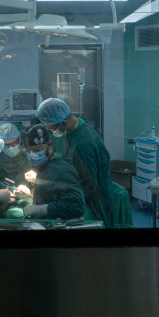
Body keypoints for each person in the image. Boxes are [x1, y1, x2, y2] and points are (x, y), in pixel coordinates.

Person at [36, 97, 114, 228]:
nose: (52, 133)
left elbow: (89, 183)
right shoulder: (73, 129)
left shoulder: (83, 144)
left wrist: (65, 197)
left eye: (52, 129)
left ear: (63, 123)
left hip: (94, 201)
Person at [21, 125, 85, 220]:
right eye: (28, 151)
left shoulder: (62, 170)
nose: (32, 155)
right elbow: (54, 189)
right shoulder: (45, 163)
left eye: (37, 150)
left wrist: (43, 209)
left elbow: (76, 206)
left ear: (49, 145)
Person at [0, 122, 32, 187]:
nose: (10, 148)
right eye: (6, 145)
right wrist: (12, 188)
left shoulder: (29, 156)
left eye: (14, 143)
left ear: (19, 138)